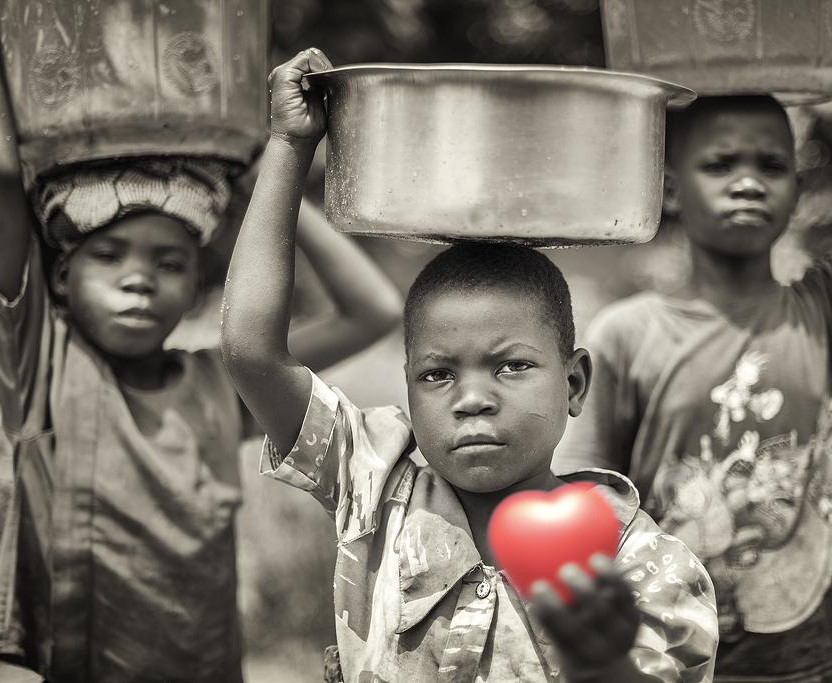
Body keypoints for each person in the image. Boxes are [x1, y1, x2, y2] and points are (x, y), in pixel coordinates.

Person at [221, 47, 719, 683]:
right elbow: (251, 351)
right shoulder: (371, 484)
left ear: (574, 383)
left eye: (511, 367)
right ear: (408, 387)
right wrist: (290, 146)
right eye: (437, 375)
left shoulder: (646, 565)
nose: (472, 399)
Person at [0, 1, 403, 680]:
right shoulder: (39, 367)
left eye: (169, 264)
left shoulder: (218, 385)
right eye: (109, 256)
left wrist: (267, 166)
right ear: (62, 276)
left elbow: (373, 310)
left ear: (196, 286)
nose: (140, 280)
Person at [553, 1, 832, 680]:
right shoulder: (629, 334)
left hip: (807, 659)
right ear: (672, 189)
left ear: (796, 191)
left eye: (771, 164)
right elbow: (583, 508)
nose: (747, 179)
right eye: (721, 164)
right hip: (671, 660)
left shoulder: (828, 305)